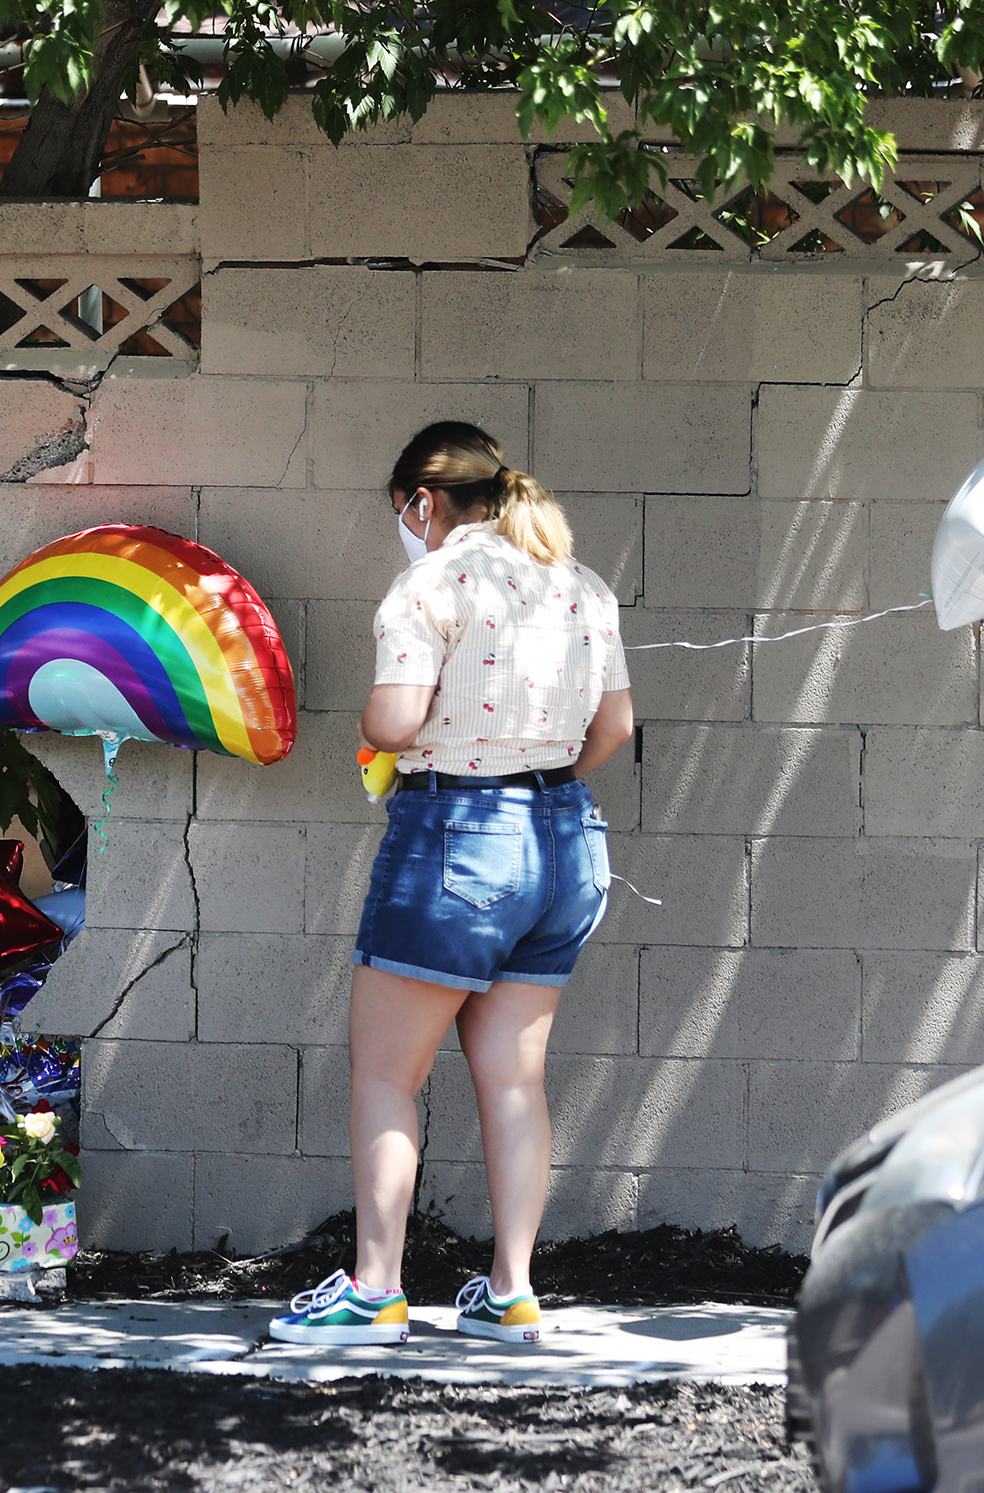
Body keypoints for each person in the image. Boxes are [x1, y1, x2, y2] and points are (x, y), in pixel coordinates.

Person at [269, 421, 634, 1347]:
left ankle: (376, 1292)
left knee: (388, 1076)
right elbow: (615, 730)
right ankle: (513, 1295)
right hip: (563, 844)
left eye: (404, 512)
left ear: (424, 502)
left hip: (458, 839)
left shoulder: (430, 585)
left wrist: (371, 719)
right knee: (516, 1083)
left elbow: (393, 722)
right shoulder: (581, 584)